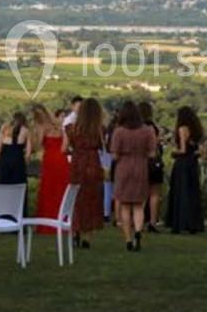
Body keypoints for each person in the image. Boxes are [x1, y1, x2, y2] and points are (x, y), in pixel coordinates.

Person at [110, 101, 158, 251]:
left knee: (125, 206)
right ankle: (138, 231)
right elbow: (152, 153)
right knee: (138, 205)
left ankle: (128, 239)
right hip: (140, 167)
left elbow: (114, 155)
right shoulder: (147, 130)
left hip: (123, 168)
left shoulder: (119, 132)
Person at [67, 98, 106, 246]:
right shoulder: (99, 129)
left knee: (76, 199)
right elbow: (104, 147)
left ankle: (75, 230)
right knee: (92, 199)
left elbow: (66, 147)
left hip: (77, 163)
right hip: (93, 163)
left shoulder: (72, 128)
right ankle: (87, 237)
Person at [165, 106, 205, 234]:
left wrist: (173, 152)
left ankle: (179, 223)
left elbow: (182, 149)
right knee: (192, 192)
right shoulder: (195, 130)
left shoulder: (182, 129)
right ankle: (193, 223)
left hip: (183, 163)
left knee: (181, 192)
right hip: (193, 163)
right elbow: (197, 149)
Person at [29, 104, 68, 234]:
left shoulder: (42, 127)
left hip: (50, 160)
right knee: (61, 189)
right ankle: (63, 220)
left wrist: (33, 136)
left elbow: (38, 145)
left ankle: (47, 223)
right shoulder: (61, 126)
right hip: (62, 160)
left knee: (48, 189)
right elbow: (65, 146)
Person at [139, 101, 165, 232]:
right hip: (153, 163)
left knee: (142, 193)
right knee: (154, 193)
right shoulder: (152, 127)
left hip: (141, 162)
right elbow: (154, 147)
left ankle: (140, 220)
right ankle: (153, 221)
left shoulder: (137, 127)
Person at [0, 111, 30, 185]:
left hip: (4, 159)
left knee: (3, 183)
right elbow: (28, 153)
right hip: (18, 160)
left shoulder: (5, 128)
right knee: (19, 184)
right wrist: (25, 163)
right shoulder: (26, 130)